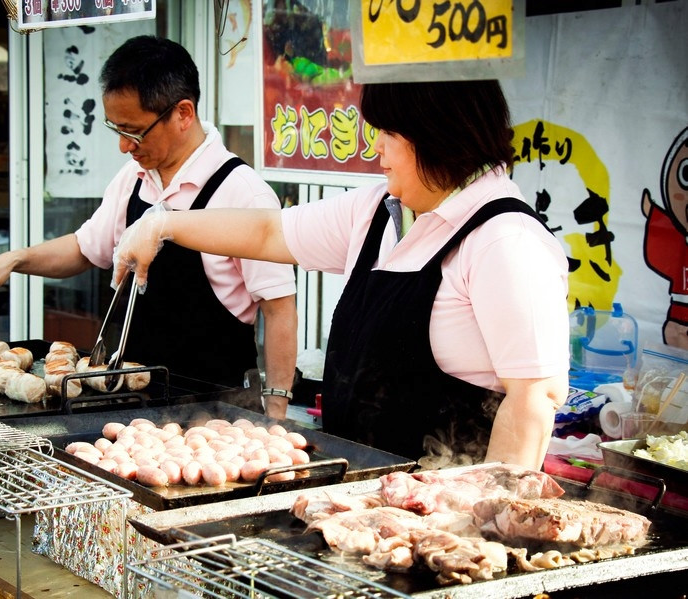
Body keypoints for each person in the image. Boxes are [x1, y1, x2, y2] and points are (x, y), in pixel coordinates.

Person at [113, 80, 571, 470]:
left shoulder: (507, 241)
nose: (377, 149)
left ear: (437, 136)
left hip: (440, 516)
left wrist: (480, 527)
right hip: (357, 497)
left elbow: (533, 400)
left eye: (389, 134)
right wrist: (163, 224)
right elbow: (268, 231)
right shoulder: (376, 210)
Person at [0, 35, 298, 418]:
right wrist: (13, 261)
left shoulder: (243, 193)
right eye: (115, 129)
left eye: (133, 131)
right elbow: (86, 248)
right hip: (130, 401)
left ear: (183, 113)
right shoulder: (134, 178)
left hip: (214, 409)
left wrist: (276, 409)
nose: (123, 146)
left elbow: (279, 308)